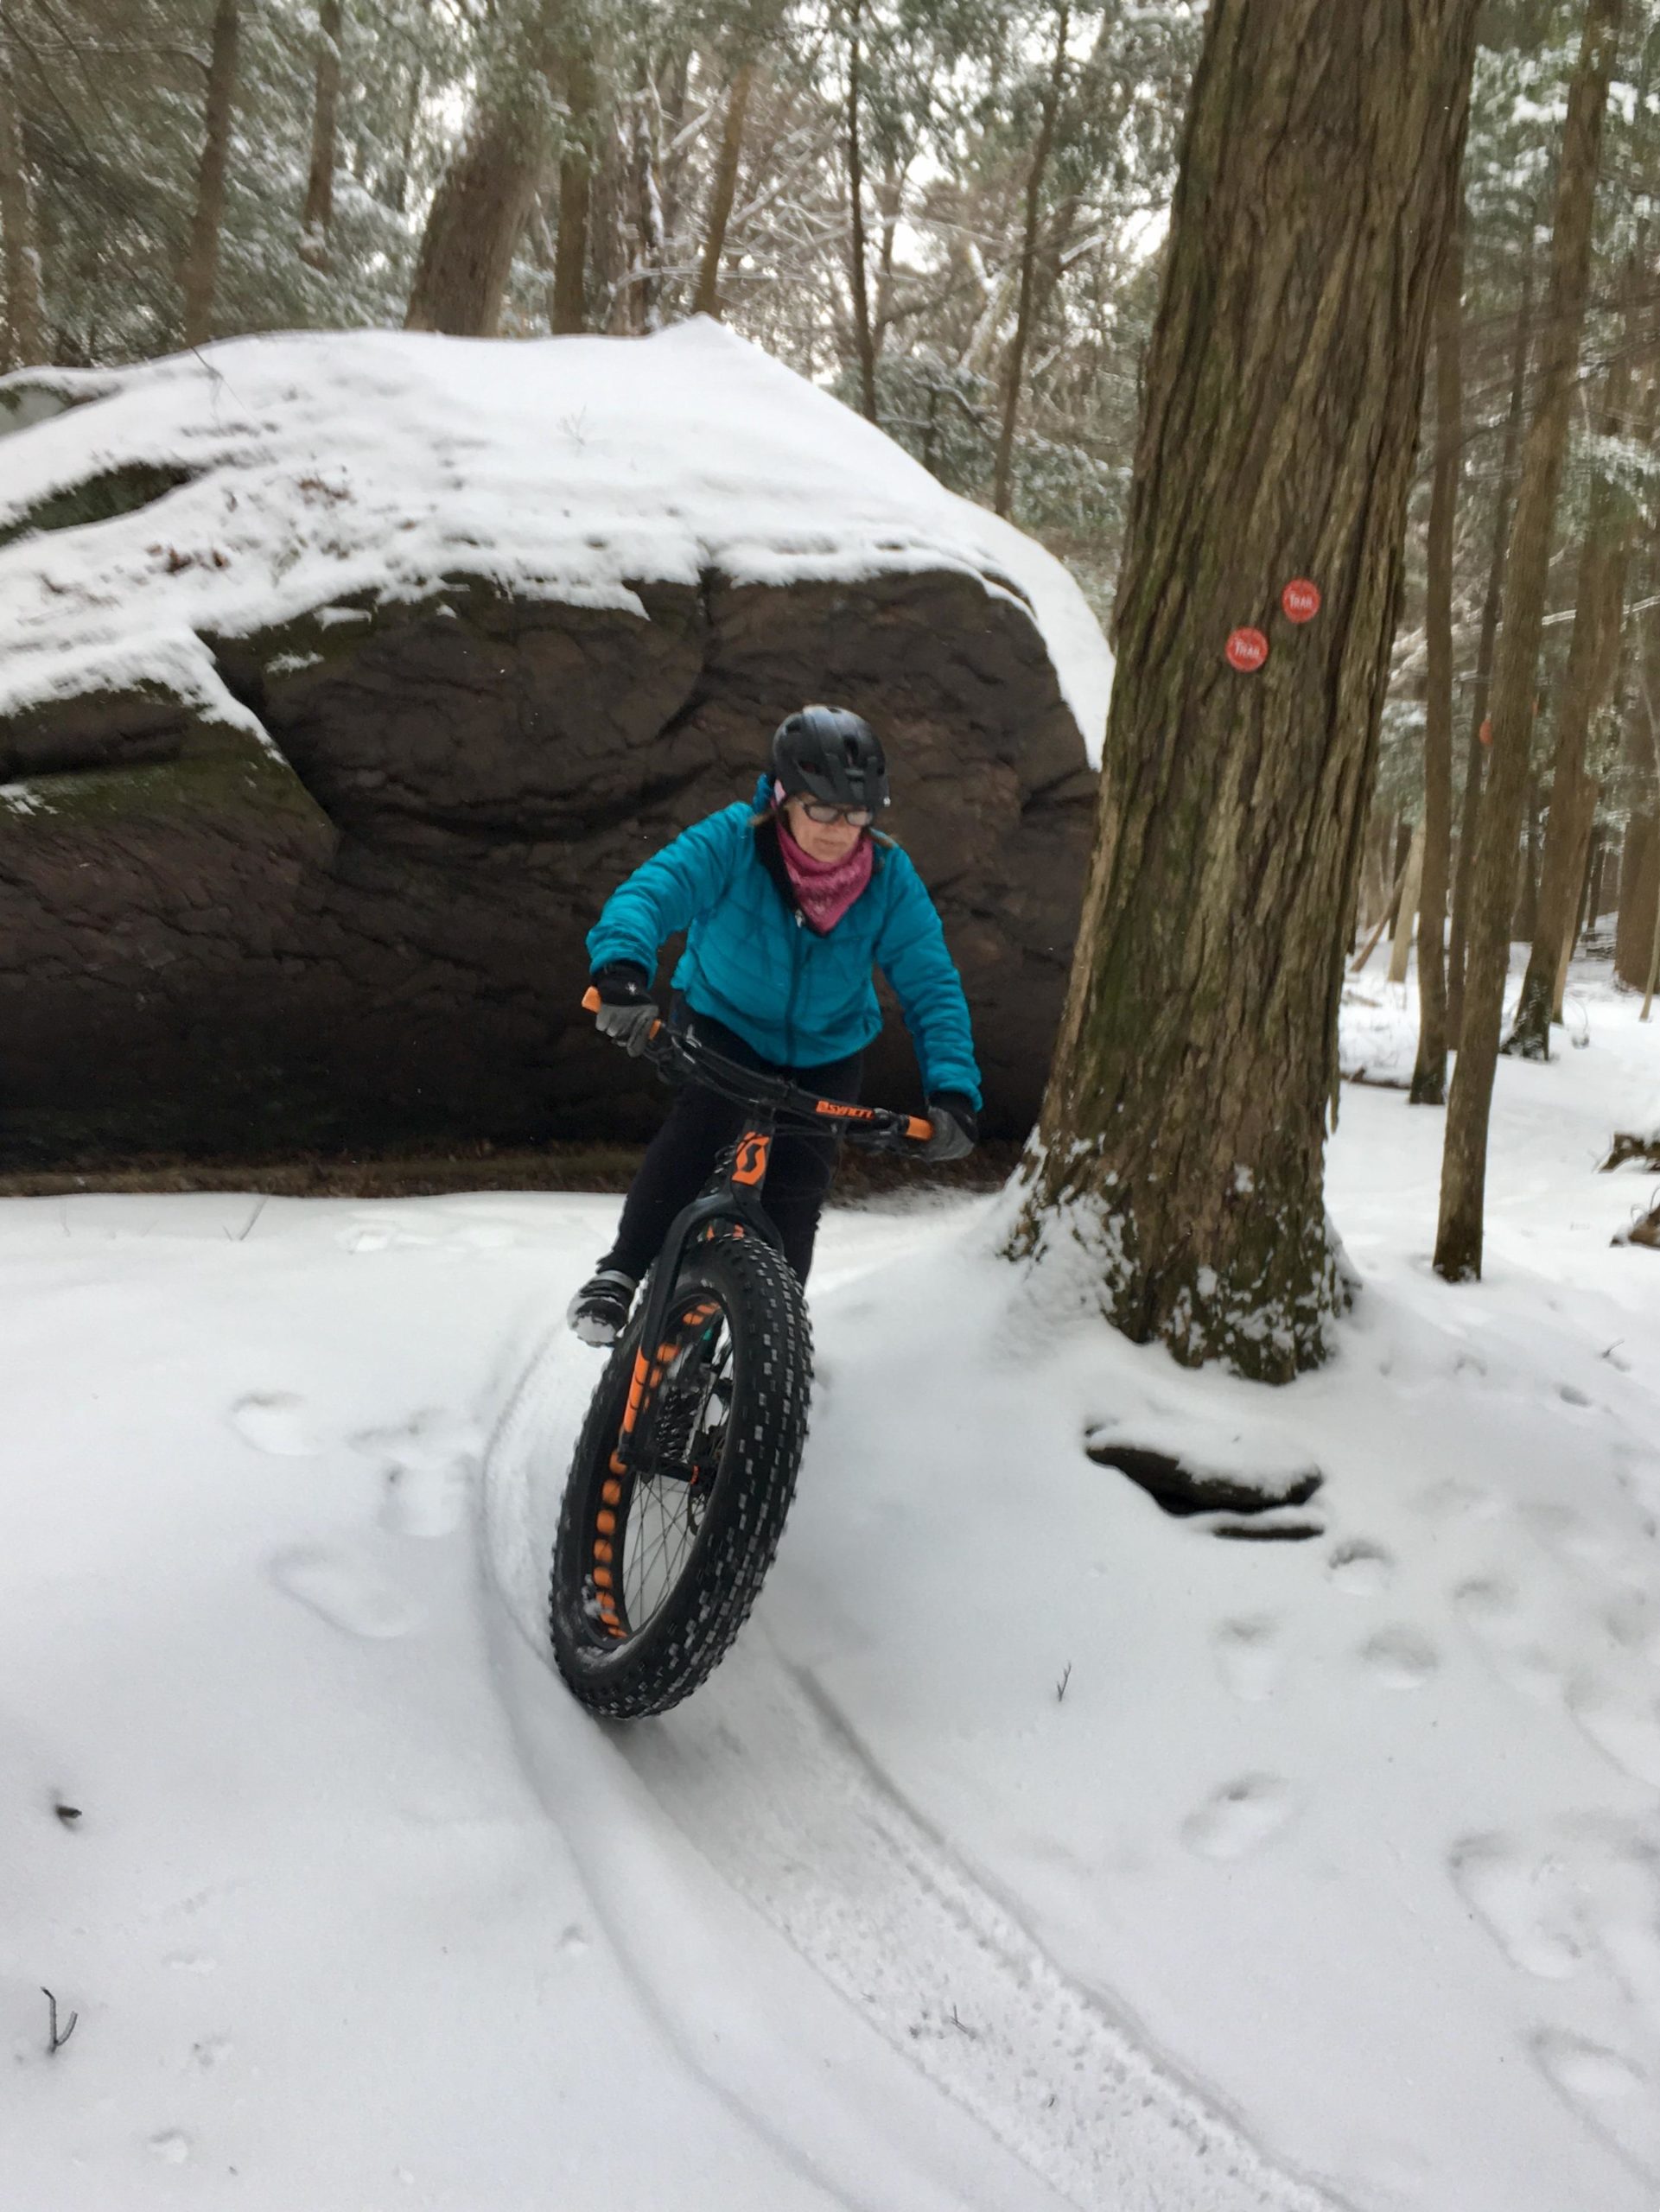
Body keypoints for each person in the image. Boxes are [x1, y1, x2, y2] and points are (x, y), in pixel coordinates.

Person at [568, 705, 982, 1344]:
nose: (837, 830)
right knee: (699, 1128)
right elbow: (650, 894)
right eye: (820, 809)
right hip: (723, 1024)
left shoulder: (889, 878)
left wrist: (953, 1091)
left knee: (798, 1186)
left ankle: (770, 1350)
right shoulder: (734, 840)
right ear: (783, 797)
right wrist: (621, 970)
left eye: (855, 814)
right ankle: (619, 1274)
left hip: (827, 1049)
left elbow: (930, 985)